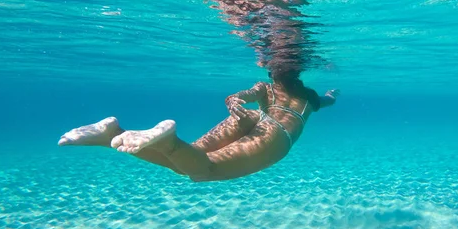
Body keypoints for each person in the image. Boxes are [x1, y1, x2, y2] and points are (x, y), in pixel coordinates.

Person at [58, 71, 339, 182]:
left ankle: (111, 133)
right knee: (205, 171)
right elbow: (327, 101)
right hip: (276, 135)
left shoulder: (265, 87)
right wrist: (332, 95)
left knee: (187, 160)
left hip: (251, 117)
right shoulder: (308, 97)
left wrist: (234, 104)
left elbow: (237, 97)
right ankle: (166, 139)